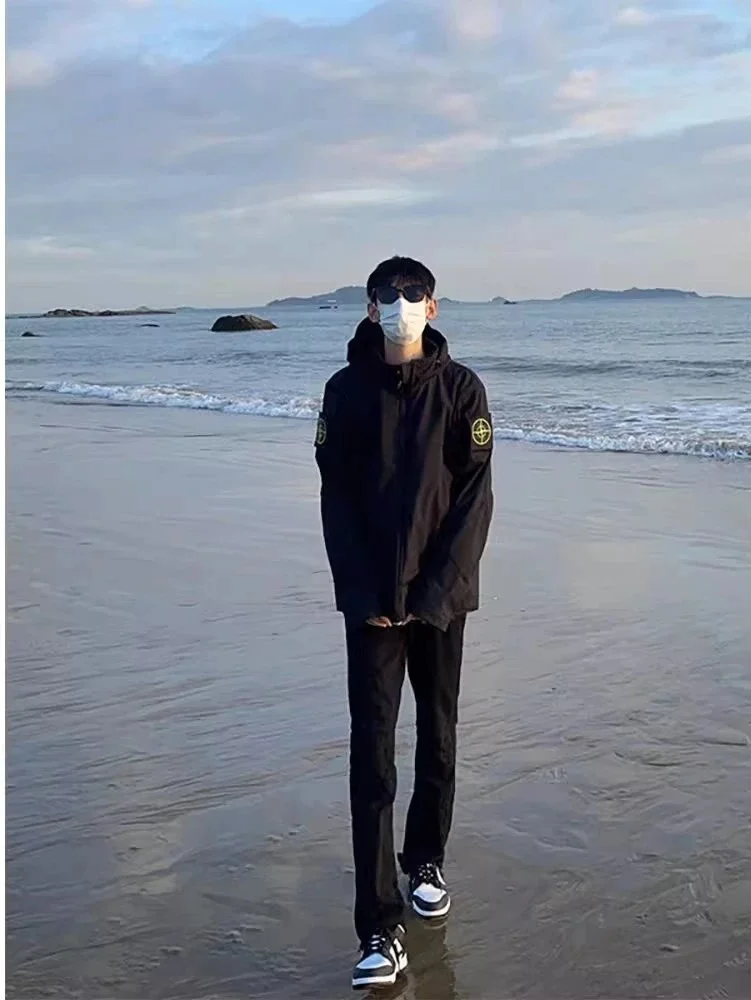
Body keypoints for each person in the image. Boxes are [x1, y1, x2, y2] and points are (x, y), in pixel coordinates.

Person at [314, 256, 494, 988]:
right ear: (369, 307)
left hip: (440, 603)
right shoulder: (345, 393)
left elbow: (474, 500)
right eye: (387, 295)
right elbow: (336, 501)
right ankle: (378, 927)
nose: (400, 304)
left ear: (433, 306)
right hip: (371, 608)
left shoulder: (461, 390)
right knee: (372, 758)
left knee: (438, 735)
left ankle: (426, 861)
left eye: (412, 293)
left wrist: (435, 594)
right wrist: (366, 596)